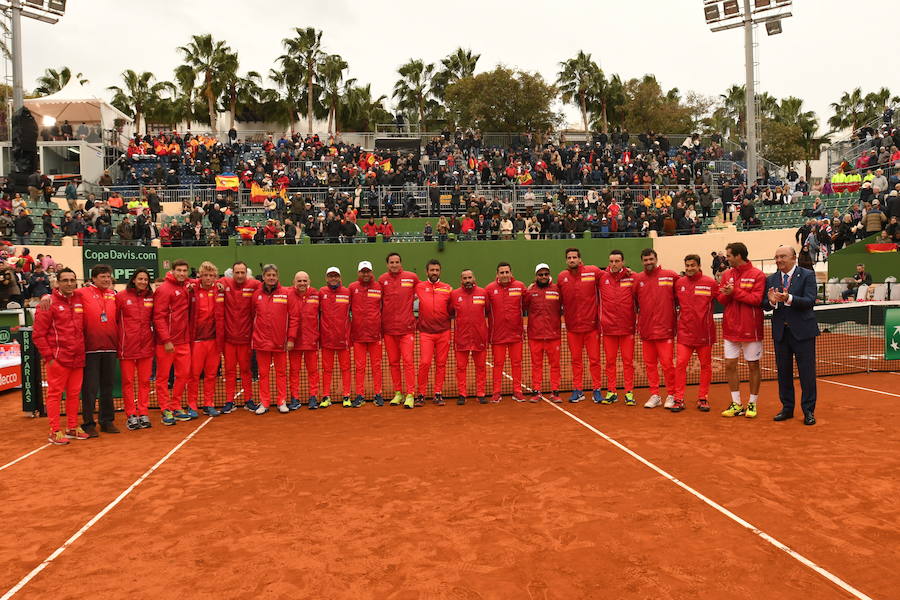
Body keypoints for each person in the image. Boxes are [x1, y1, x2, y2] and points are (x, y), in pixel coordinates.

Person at [763, 246, 819, 426]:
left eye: (783, 256)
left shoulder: (807, 275)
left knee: (807, 375)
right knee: (783, 373)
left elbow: (810, 301)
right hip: (781, 333)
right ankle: (787, 408)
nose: (779, 260)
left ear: (793, 258)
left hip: (803, 333)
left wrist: (789, 298)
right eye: (776, 257)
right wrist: (771, 302)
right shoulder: (771, 279)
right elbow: (764, 304)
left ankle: (808, 411)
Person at [33, 268, 88, 445]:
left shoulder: (79, 298)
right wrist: (50, 358)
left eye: (72, 280)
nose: (69, 283)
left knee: (73, 394)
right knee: (54, 395)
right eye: (65, 280)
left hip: (78, 357)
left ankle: (72, 427)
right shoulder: (48, 303)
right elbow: (38, 335)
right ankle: (54, 430)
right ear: (57, 283)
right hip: (58, 359)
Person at [717, 242, 766, 419]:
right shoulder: (726, 274)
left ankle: (752, 403)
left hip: (750, 328)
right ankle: (736, 403)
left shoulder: (758, 275)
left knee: (753, 365)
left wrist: (735, 291)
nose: (726, 258)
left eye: (729, 255)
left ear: (738, 256)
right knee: (730, 365)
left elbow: (756, 299)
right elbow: (721, 299)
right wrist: (726, 293)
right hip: (730, 328)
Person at [78, 264, 120, 436]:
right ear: (93, 278)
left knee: (107, 387)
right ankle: (88, 423)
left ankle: (107, 421)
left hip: (110, 348)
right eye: (103, 276)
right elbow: (61, 295)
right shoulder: (82, 293)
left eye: (108, 276)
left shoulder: (113, 295)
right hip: (90, 349)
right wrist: (45, 295)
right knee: (90, 388)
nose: (107, 279)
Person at [673, 255, 718, 413]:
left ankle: (703, 398)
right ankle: (678, 399)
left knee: (705, 367)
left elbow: (723, 299)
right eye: (687, 265)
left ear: (699, 266)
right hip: (684, 334)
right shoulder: (679, 283)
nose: (690, 268)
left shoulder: (710, 283)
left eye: (692, 265)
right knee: (680, 365)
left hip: (704, 334)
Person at [556, 247, 603, 402]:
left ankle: (597, 389)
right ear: (566, 260)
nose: (572, 260)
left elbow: (610, 277)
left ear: (580, 259)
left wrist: (625, 271)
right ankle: (578, 390)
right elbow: (556, 297)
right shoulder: (562, 277)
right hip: (572, 328)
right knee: (576, 361)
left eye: (574, 257)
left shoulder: (593, 272)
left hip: (592, 328)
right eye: (569, 257)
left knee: (594, 360)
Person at [633, 248, 678, 409]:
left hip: (665, 330)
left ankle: (672, 394)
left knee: (667, 364)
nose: (648, 262)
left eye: (651, 259)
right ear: (642, 261)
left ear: (656, 259)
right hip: (646, 330)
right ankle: (655, 395)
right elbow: (636, 303)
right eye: (645, 260)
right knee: (650, 365)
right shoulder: (638, 279)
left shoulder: (671, 275)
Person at [249, 264, 297, 414]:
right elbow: (252, 316)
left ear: (277, 277)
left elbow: (294, 318)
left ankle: (281, 401)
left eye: (273, 275)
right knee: (263, 374)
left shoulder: (286, 293)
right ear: (263, 277)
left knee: (281, 373)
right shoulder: (256, 295)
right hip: (261, 341)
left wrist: (290, 339)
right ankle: (264, 402)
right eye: (268, 275)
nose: (271, 278)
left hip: (280, 342)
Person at [154, 259, 194, 425]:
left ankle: (176, 405)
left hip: (183, 341)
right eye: (179, 270)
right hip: (167, 343)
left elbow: (199, 281)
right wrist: (166, 339)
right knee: (163, 377)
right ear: (172, 271)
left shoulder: (186, 285)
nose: (182, 273)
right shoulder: (164, 289)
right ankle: (165, 408)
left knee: (183, 375)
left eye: (185, 271)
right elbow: (158, 316)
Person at [218, 261, 261, 413]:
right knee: (229, 371)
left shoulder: (255, 284)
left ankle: (248, 399)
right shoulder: (224, 283)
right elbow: (205, 280)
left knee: (246, 371)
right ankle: (229, 401)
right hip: (229, 340)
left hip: (246, 339)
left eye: (243, 272)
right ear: (232, 273)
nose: (240, 275)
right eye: (237, 272)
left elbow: (274, 286)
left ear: (246, 273)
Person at [378, 252, 419, 408]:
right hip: (389, 329)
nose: (394, 264)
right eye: (391, 262)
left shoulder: (411, 277)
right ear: (387, 264)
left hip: (406, 328)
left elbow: (420, 291)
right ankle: (398, 393)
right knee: (393, 363)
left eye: (396, 262)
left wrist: (411, 300)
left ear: (401, 263)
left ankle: (410, 394)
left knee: (408, 362)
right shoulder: (382, 280)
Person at [116, 269, 155, 430]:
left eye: (146, 279)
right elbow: (115, 320)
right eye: (140, 279)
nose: (143, 282)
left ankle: (143, 412)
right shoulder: (121, 297)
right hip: (127, 347)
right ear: (133, 280)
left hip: (146, 346)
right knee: (128, 382)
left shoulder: (151, 298)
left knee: (145, 382)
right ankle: (131, 414)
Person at [598, 250, 637, 406]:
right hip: (608, 329)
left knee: (627, 362)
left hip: (627, 328)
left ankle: (629, 392)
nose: (614, 264)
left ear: (623, 262)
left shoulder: (632, 277)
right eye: (611, 261)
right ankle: (611, 392)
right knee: (610, 362)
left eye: (617, 261)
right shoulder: (601, 277)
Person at [187, 262, 225, 418]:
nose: (208, 278)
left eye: (211, 275)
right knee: (194, 375)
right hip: (196, 341)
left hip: (214, 341)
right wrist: (193, 283)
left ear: (215, 277)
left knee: (211, 375)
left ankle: (209, 404)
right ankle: (192, 405)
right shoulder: (193, 289)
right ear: (200, 276)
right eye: (205, 275)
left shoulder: (220, 290)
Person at [485, 262, 527, 403]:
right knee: (498, 364)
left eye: (507, 272)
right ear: (497, 274)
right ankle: (496, 392)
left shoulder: (520, 286)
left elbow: (528, 302)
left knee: (517, 363)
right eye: (502, 272)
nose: (504, 275)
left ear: (511, 273)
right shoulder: (490, 289)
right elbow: (483, 308)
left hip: (516, 334)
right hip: (497, 335)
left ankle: (517, 391)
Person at [415, 259, 453, 406]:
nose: (434, 273)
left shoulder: (447, 288)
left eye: (437, 270)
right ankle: (421, 394)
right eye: (432, 270)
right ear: (427, 272)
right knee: (425, 363)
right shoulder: (419, 287)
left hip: (444, 332)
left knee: (441, 363)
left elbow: (452, 308)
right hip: (426, 333)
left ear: (440, 272)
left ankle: (438, 393)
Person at [523, 263, 561, 403]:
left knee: (555, 365)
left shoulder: (557, 289)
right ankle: (536, 391)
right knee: (536, 365)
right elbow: (523, 306)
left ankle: (555, 392)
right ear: (536, 276)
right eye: (540, 274)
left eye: (546, 274)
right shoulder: (530, 292)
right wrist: (527, 292)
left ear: (549, 274)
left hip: (553, 335)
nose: (543, 277)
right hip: (535, 335)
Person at [451, 269, 489, 404]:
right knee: (461, 368)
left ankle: (481, 393)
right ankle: (462, 394)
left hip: (479, 337)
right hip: (462, 338)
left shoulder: (483, 293)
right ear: (461, 280)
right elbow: (450, 311)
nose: (467, 280)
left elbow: (489, 311)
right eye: (465, 278)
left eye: (469, 277)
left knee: (481, 367)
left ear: (474, 278)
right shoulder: (454, 295)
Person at [349, 261, 383, 407]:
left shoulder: (379, 287)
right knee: (360, 366)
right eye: (363, 271)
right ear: (358, 273)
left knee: (377, 366)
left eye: (368, 271)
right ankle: (360, 395)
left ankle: (378, 394)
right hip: (358, 335)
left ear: (371, 272)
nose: (365, 274)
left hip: (375, 334)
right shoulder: (352, 288)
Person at [319, 266, 352, 408]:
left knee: (346, 368)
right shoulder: (321, 293)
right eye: (331, 276)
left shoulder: (347, 292)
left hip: (343, 339)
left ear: (340, 277)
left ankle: (346, 396)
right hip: (326, 339)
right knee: (327, 369)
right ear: (326, 278)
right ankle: (326, 396)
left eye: (336, 276)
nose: (333, 278)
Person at [288, 271, 321, 410]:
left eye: (304, 281)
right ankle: (294, 398)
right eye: (299, 281)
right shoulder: (288, 294)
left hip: (311, 340)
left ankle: (313, 397)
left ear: (309, 282)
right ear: (294, 282)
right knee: (294, 371)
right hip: (294, 342)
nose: (302, 283)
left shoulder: (316, 295)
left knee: (313, 371)